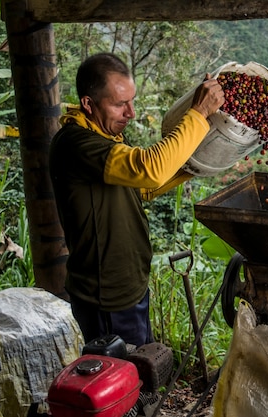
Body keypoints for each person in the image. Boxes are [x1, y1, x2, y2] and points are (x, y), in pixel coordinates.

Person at [49, 52, 224, 347]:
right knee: (121, 381)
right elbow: (149, 169)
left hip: (130, 285)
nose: (130, 113)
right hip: (107, 297)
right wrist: (198, 114)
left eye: (131, 101)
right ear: (88, 104)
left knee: (143, 369)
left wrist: (192, 166)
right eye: (119, 104)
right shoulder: (76, 144)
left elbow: (141, 187)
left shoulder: (105, 134)